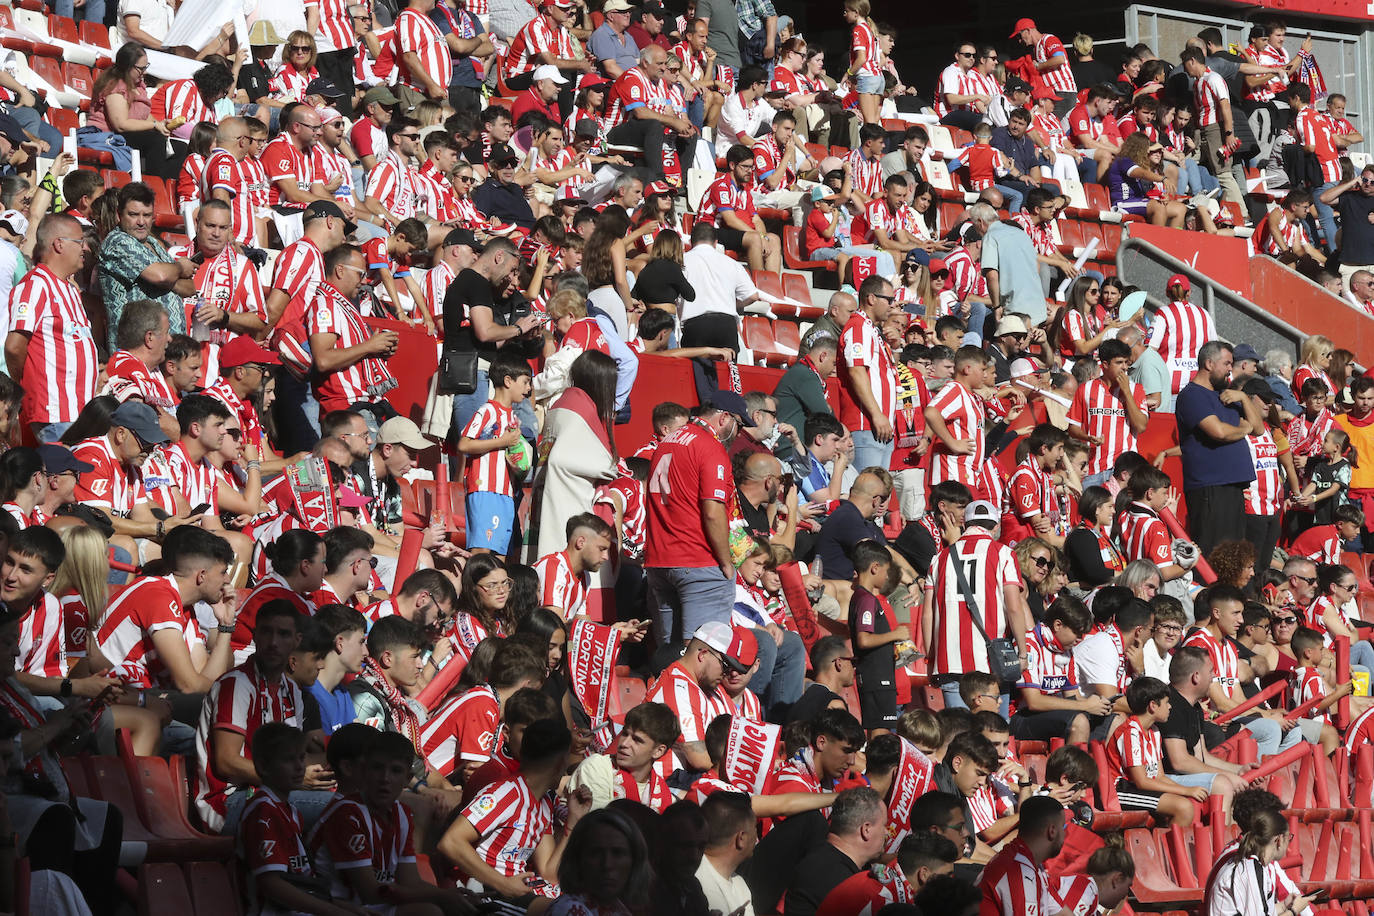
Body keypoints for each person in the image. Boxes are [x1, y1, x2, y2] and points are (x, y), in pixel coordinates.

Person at [437, 719, 592, 901]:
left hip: (518, 894)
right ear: (560, 763)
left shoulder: (543, 804)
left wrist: (574, 821)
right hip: (487, 894)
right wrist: (503, 884)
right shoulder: (506, 792)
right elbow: (450, 842)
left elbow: (550, 873)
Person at [195, 600, 308, 833]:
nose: (274, 643)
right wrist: (293, 779)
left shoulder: (293, 691)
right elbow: (226, 762)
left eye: (284, 634)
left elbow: (293, 756)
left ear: (297, 641)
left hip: (271, 791)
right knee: (341, 809)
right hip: (227, 802)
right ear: (255, 636)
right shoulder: (236, 684)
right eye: (266, 632)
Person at [645, 395, 751, 644]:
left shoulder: (668, 440)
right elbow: (713, 512)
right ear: (724, 418)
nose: (739, 434)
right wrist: (726, 562)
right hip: (698, 560)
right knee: (704, 653)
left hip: (661, 559)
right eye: (740, 426)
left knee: (671, 654)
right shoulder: (709, 446)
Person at [922, 500, 1027, 713]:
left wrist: (931, 659)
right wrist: (1022, 653)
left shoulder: (939, 558)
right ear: (996, 526)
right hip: (991, 661)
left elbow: (928, 614)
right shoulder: (1004, 553)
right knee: (993, 731)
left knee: (960, 732)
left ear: (965, 523)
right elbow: (1014, 607)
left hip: (949, 659)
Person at [4, 214, 99, 443]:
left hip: (79, 414)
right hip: (55, 413)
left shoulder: (70, 289)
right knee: (62, 477)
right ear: (59, 244)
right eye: (79, 241)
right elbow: (14, 347)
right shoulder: (36, 285)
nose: (85, 248)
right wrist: (25, 386)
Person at [1176, 341, 1263, 558]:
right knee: (1213, 552)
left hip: (1232, 486)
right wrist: (1243, 429)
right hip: (1210, 487)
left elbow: (1259, 429)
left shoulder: (1227, 394)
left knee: (1232, 555)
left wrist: (1243, 398)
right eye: (1226, 364)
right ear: (1208, 363)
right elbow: (1218, 432)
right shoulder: (1192, 394)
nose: (1229, 370)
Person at [643, 621, 748, 779]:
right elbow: (699, 759)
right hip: (665, 784)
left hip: (681, 779)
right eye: (725, 665)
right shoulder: (679, 686)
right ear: (703, 654)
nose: (727, 673)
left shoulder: (700, 686)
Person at [458, 352, 532, 557]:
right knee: (481, 552)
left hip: (505, 492)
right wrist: (503, 442)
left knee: (499, 556)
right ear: (508, 381)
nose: (529, 389)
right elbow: (464, 444)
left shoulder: (513, 418)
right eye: (525, 382)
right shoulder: (487, 410)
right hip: (485, 489)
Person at [783, 787, 888, 916]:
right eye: (884, 825)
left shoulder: (818, 857)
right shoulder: (845, 886)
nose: (886, 832)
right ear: (866, 829)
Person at [1202, 808, 1318, 916]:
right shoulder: (1249, 868)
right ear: (1278, 840)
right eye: (1289, 838)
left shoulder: (1251, 863)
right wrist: (1294, 911)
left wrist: (1283, 906)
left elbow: (1262, 911)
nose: (1289, 844)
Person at [568, 701, 678, 812]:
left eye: (636, 740)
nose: (624, 743)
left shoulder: (667, 799)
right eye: (624, 734)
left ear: (658, 751)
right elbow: (601, 826)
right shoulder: (596, 767)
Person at [838, 276, 898, 470]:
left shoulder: (870, 329)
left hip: (879, 427)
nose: (892, 305)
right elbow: (856, 371)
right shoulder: (859, 326)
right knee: (867, 493)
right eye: (888, 299)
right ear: (872, 299)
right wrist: (877, 414)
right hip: (866, 424)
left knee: (878, 496)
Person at [550, 807, 653, 915]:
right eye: (595, 853)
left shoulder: (618, 908)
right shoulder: (568, 909)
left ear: (635, 860)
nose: (607, 864)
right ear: (577, 859)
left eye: (617, 853)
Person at [975, 795, 1064, 916]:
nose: (1065, 834)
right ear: (1052, 831)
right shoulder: (1018, 871)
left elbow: (1061, 912)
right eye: (1063, 827)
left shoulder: (1029, 863)